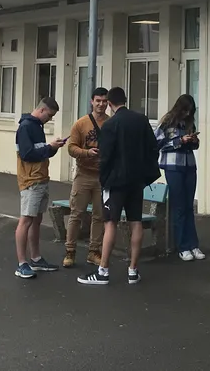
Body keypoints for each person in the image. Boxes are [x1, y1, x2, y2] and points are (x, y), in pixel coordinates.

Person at [78, 86, 160, 287]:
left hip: (115, 182)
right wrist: (146, 174)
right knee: (135, 221)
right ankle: (133, 270)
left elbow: (105, 157)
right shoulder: (142, 120)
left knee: (110, 223)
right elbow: (153, 148)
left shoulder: (110, 125)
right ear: (125, 99)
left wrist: (104, 180)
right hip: (136, 180)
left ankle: (103, 271)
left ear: (110, 103)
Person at [14, 97, 67, 279]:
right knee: (26, 220)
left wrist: (53, 148)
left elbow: (40, 152)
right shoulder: (26, 127)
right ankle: (22, 263)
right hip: (31, 181)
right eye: (50, 115)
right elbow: (27, 154)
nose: (50, 119)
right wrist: (49, 147)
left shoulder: (37, 126)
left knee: (36, 220)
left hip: (41, 179)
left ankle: (36, 258)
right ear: (42, 110)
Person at [63, 87, 109, 268]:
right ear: (92, 101)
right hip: (83, 174)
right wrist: (86, 152)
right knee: (76, 214)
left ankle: (94, 251)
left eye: (104, 101)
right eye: (98, 100)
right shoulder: (81, 124)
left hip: (102, 176)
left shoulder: (111, 123)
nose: (101, 104)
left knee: (99, 215)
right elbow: (71, 148)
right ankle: (70, 251)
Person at [156, 94, 205, 262]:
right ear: (179, 108)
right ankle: (182, 246)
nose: (186, 114)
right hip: (172, 167)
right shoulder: (167, 122)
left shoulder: (190, 123)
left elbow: (195, 146)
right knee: (179, 206)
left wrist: (193, 140)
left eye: (190, 111)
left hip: (189, 166)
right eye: (184, 110)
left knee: (188, 206)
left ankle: (194, 244)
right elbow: (157, 143)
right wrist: (179, 141)